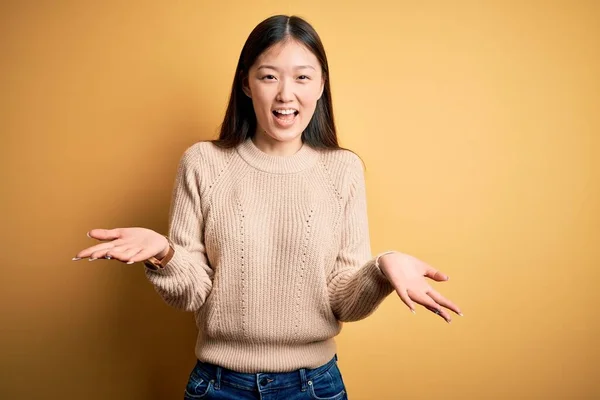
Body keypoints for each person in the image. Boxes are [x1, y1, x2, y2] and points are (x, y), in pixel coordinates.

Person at [73, 14, 462, 400]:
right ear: (246, 83)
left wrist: (382, 268)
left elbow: (343, 301)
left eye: (303, 77)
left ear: (322, 85)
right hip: (219, 387)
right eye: (269, 76)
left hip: (314, 387)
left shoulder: (342, 170)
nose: (285, 95)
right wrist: (164, 252)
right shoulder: (202, 163)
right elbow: (191, 293)